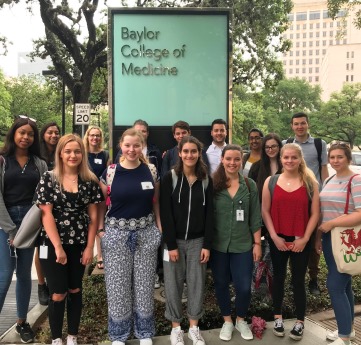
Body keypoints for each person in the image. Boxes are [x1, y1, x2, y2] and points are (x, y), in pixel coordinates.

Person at [35, 134, 103, 345]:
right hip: (52, 243)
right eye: (68, 151)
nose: (73, 155)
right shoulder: (49, 178)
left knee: (75, 289)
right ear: (60, 154)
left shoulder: (89, 180)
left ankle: (72, 336)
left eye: (77, 151)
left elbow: (93, 218)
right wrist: (58, 248)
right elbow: (46, 215)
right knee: (57, 293)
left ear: (82, 154)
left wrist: (89, 247)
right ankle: (57, 338)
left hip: (79, 243)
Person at [98, 128, 162, 345]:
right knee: (117, 286)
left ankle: (144, 332)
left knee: (144, 285)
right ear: (121, 146)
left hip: (146, 233)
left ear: (142, 145)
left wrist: (159, 230)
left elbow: (156, 202)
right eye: (128, 145)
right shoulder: (110, 172)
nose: (132, 149)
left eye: (136, 145)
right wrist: (101, 232)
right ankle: (119, 334)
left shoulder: (151, 170)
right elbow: (100, 205)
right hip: (116, 235)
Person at [262, 143, 319, 341]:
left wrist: (305, 239)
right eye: (286, 157)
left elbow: (315, 214)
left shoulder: (310, 182)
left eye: (294, 157)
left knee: (298, 281)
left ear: (300, 159)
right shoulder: (271, 181)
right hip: (278, 239)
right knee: (278, 279)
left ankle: (300, 321)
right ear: (281, 159)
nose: (289, 161)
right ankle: (277, 317)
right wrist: (274, 237)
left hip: (300, 241)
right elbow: (265, 211)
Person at [160, 136, 213, 345]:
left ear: (199, 153)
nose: (190, 155)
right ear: (179, 153)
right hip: (174, 242)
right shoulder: (169, 178)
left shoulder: (206, 179)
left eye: (194, 151)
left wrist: (207, 245)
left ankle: (193, 328)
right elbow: (165, 213)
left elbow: (210, 214)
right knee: (173, 284)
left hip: (198, 241)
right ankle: (176, 329)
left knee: (197, 284)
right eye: (186, 151)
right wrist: (171, 244)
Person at [0, 115, 47, 343]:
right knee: (4, 274)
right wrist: (10, 230)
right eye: (22, 133)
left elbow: (42, 198)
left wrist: (30, 227)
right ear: (14, 134)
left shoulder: (39, 164)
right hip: (4, 222)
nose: (26, 137)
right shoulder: (2, 161)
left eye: (30, 134)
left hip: (29, 223)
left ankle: (21, 322)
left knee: (25, 274)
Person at [211, 144, 262, 341]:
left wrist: (257, 244)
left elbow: (255, 216)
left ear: (242, 161)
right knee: (221, 283)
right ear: (222, 160)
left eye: (237, 159)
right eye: (229, 159)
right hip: (218, 245)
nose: (232, 163)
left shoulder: (249, 185)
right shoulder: (213, 185)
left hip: (243, 245)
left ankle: (241, 319)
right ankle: (227, 322)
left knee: (243, 287)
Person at [316, 142, 361, 345]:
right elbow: (323, 211)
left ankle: (343, 337)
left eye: (339, 157)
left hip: (345, 239)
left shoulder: (356, 180)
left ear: (348, 158)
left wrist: (332, 224)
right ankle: (348, 329)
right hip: (329, 239)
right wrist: (319, 236)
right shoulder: (329, 180)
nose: (335, 161)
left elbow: (359, 214)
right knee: (345, 285)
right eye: (332, 157)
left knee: (335, 285)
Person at [284, 112, 329, 295]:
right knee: (293, 236)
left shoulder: (319, 144)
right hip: (294, 198)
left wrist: (324, 193)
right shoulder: (287, 144)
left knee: (313, 239)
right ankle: (295, 278)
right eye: (296, 124)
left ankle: (313, 279)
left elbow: (324, 171)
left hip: (313, 197)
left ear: (307, 124)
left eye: (303, 123)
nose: (299, 126)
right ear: (292, 126)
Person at [36, 122, 61, 305]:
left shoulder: (61, 153)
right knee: (41, 246)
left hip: (60, 208)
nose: (53, 135)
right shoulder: (38, 155)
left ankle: (54, 282)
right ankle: (41, 284)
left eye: (56, 132)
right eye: (50, 132)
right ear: (43, 134)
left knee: (56, 246)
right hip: (41, 205)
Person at [83, 125, 110, 270]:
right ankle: (86, 252)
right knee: (87, 223)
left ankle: (100, 256)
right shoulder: (82, 153)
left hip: (100, 193)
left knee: (98, 223)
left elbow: (108, 173)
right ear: (87, 136)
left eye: (97, 135)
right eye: (92, 135)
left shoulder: (105, 154)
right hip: (85, 192)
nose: (95, 138)